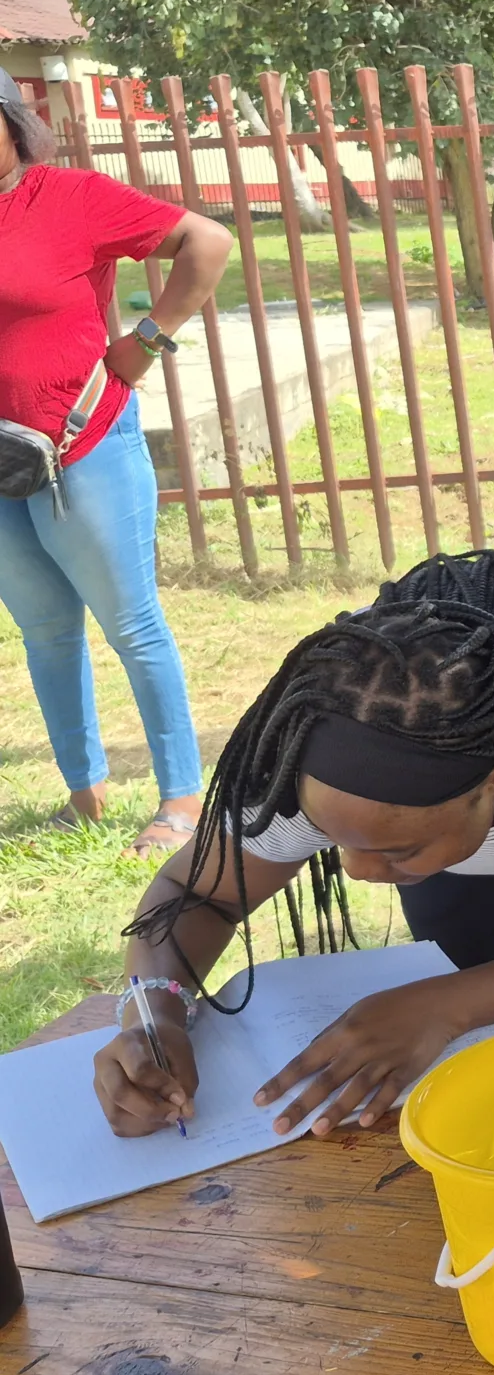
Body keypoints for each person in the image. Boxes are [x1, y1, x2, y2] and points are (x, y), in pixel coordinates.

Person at [92, 548, 494, 1139]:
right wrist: (153, 1013)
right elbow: (191, 891)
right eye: (336, 838)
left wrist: (444, 1004)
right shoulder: (319, 738)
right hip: (463, 866)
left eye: (396, 852)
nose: (361, 872)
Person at [0, 67, 231, 857]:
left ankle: (181, 798)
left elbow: (209, 240)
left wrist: (147, 341)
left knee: (131, 625)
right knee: (44, 631)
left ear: (12, 121)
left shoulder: (69, 197)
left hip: (83, 445)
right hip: (2, 467)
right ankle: (83, 793)